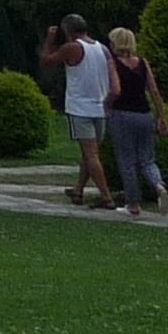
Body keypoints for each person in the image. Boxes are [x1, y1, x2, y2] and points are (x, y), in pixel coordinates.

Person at [41, 14, 115, 208]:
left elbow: (46, 60)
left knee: (90, 155)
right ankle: (78, 190)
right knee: (89, 154)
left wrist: (49, 39)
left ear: (67, 30)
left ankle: (106, 196)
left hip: (80, 107)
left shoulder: (72, 48)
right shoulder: (103, 49)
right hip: (100, 106)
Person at [104, 25, 168, 216]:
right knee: (147, 159)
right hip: (144, 114)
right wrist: (161, 116)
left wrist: (107, 104)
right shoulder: (142, 63)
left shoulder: (113, 63)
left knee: (127, 161)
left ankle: (133, 203)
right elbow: (154, 91)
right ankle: (159, 186)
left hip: (122, 114)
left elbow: (115, 89)